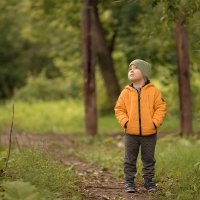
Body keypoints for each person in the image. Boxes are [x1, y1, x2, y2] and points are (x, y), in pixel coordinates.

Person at [114, 59, 167, 193]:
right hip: (130, 133)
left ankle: (148, 181)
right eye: (130, 68)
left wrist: (154, 123)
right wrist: (125, 122)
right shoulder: (126, 92)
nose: (131, 70)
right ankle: (129, 182)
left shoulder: (153, 91)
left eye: (135, 68)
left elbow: (161, 107)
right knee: (129, 159)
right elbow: (119, 109)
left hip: (149, 133)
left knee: (149, 159)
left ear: (144, 73)